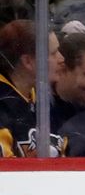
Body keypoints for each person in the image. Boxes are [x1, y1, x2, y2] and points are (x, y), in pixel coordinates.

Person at [0, 20, 66, 157]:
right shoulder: (3, 106)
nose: (62, 59)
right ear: (28, 62)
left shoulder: (43, 100)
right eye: (53, 53)